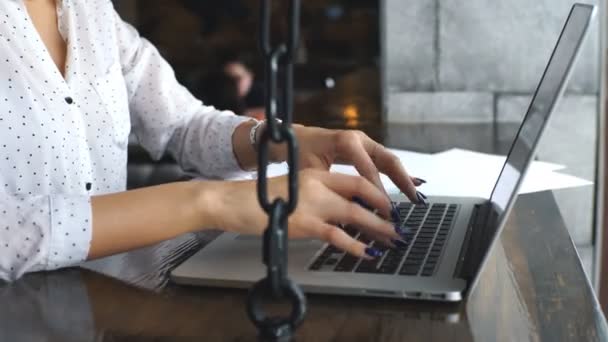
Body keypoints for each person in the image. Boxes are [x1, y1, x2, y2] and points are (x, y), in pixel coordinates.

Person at [0, 0, 425, 282]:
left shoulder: (89, 10)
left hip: (108, 299)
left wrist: (280, 138)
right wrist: (214, 203)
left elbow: (183, 124)